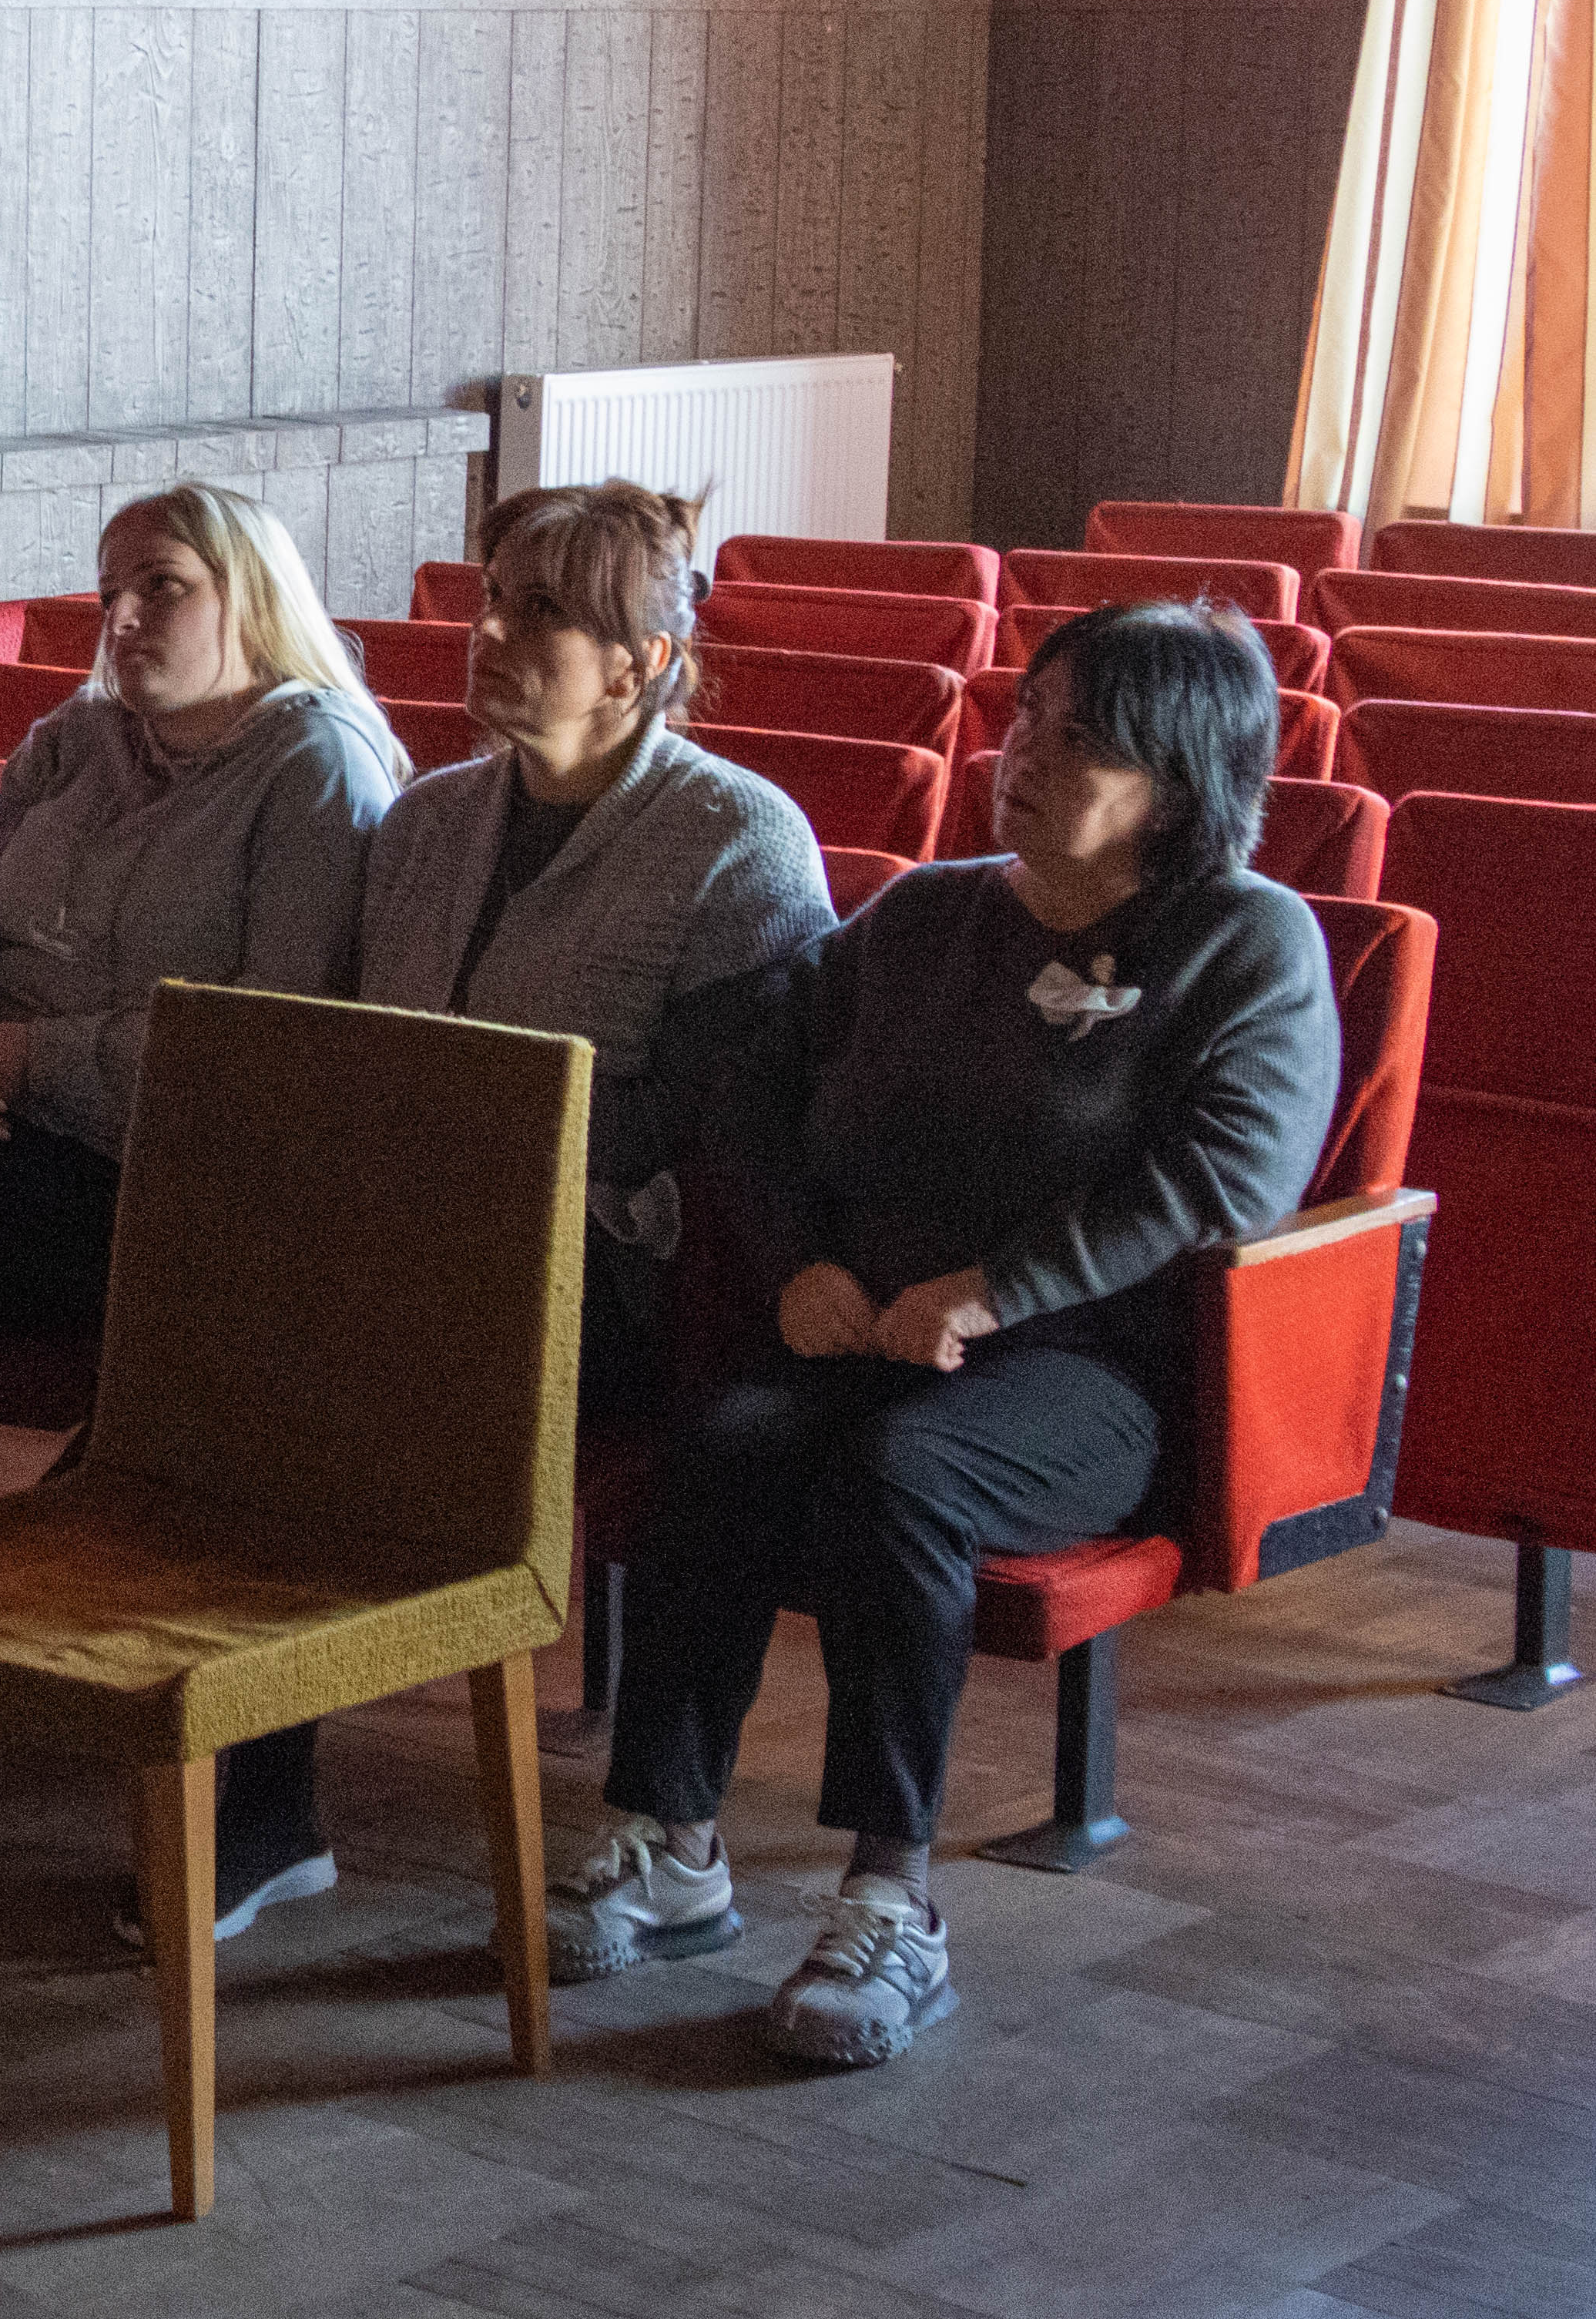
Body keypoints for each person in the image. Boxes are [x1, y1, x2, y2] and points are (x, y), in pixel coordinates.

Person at [549, 602, 1338, 2068]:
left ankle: (889, 1895)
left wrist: (996, 1288)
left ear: (1176, 784)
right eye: (1025, 717)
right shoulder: (925, 916)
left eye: (1077, 739)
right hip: (872, 1337)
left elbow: (1230, 1173)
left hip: (1090, 1375)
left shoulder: (1244, 939)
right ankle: (670, 1840)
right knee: (721, 1440)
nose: (1017, 755)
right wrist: (796, 1262)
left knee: (905, 1475)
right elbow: (750, 1086)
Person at [200, 485, 834, 1945]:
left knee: (296, 1361)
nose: (490, 634)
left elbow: (700, 1129)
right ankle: (239, 1772)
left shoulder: (736, 838)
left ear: (640, 661)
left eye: (540, 611)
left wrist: (457, 1140)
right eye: (491, 601)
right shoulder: (429, 819)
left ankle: (259, 1795)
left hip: (623, 1275)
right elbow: (359, 1051)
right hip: (420, 1245)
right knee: (241, 1313)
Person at [0, 484, 401, 1911]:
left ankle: (62, 1608)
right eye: (109, 593)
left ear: (245, 594)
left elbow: (267, 1033)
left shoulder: (312, 763)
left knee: (240, 1314)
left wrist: (36, 1056)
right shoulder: (75, 737)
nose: (125, 620)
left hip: (170, 1172)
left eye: (162, 587)